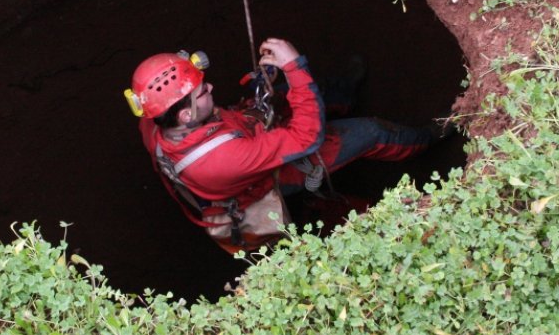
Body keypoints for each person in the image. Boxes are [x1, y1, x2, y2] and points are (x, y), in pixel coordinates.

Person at [124, 38, 444, 253]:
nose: (210, 85)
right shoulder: (222, 159)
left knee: (306, 94)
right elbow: (307, 138)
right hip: (267, 176)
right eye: (202, 91)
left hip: (244, 135)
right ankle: (433, 136)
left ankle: (343, 94)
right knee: (371, 131)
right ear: (186, 114)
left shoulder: (155, 119)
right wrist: (294, 66)